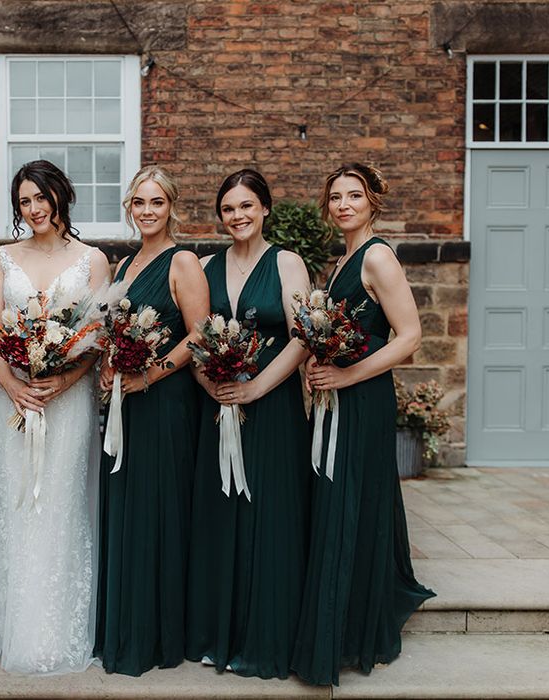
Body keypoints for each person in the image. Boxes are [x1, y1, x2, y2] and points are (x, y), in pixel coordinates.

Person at [291, 162, 435, 686]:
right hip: (340, 396)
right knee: (338, 498)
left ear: (374, 201)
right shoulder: (343, 259)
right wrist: (317, 365)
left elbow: (409, 336)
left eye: (354, 195)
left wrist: (346, 376)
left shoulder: (377, 257)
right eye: (335, 197)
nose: (343, 204)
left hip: (364, 398)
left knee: (353, 499)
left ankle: (354, 631)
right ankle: (341, 623)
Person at [0, 160, 110, 675]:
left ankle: (58, 631)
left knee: (61, 503)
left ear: (61, 196)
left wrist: (63, 381)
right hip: (13, 402)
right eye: (24, 201)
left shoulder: (92, 260)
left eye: (41, 197)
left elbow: (97, 340)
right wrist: (10, 386)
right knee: (15, 507)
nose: (34, 209)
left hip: (67, 402)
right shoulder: (2, 259)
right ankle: (13, 630)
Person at [185, 169, 312, 679]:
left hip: (273, 410)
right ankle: (222, 633)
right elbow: (194, 338)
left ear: (265, 209)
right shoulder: (206, 266)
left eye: (246, 206)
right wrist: (210, 385)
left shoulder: (287, 262)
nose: (237, 216)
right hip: (217, 408)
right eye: (228, 209)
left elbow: (303, 337)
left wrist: (258, 388)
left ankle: (266, 635)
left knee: (269, 518)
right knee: (221, 518)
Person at [94, 165, 209, 676]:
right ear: (129, 208)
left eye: (156, 202)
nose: (147, 211)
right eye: (139, 203)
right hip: (127, 403)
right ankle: (126, 624)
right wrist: (108, 370)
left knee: (160, 510)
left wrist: (149, 377)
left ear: (171, 207)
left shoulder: (181, 260)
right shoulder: (125, 267)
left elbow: (199, 335)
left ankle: (158, 635)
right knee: (129, 509)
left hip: (165, 403)